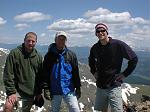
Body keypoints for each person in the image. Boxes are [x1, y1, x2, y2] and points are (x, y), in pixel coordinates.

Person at [88, 23, 138, 112]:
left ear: (107, 32)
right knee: (101, 110)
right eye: (98, 31)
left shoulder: (118, 44)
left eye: (103, 30)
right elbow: (91, 60)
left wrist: (124, 74)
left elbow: (134, 58)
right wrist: (94, 72)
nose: (100, 33)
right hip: (100, 86)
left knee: (117, 110)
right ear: (96, 34)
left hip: (114, 85)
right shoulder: (95, 48)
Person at [3, 32, 43, 112]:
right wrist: (11, 92)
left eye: (33, 41)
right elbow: (8, 73)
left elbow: (40, 76)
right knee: (8, 107)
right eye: (28, 40)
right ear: (24, 40)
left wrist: (39, 92)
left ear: (36, 42)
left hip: (30, 92)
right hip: (17, 90)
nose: (30, 43)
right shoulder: (15, 53)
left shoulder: (38, 56)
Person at [43, 31, 81, 112]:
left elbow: (75, 72)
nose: (61, 41)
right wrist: (46, 88)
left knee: (75, 109)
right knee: (55, 110)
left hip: (68, 89)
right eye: (59, 39)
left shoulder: (71, 55)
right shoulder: (49, 56)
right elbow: (45, 73)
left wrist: (78, 87)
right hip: (55, 89)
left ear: (65, 41)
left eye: (63, 39)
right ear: (55, 40)